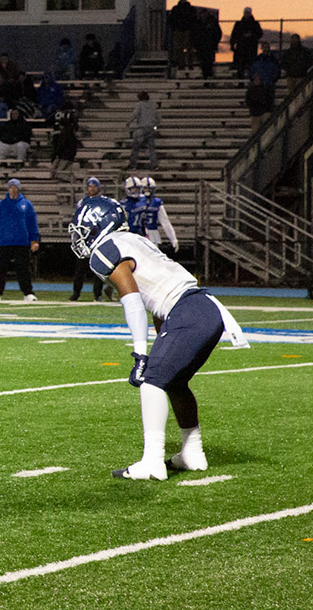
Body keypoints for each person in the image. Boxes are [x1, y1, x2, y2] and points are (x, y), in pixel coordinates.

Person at [70, 197, 247, 480]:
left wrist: (141, 353)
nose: (80, 237)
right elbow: (156, 303)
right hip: (205, 309)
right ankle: (192, 453)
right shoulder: (134, 240)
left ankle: (152, 461)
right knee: (174, 380)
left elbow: (134, 302)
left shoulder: (105, 250)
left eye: (83, 229)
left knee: (152, 379)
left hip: (188, 310)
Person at [0, 178, 40, 301]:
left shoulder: (26, 204)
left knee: (23, 269)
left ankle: (27, 292)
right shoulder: (1, 205)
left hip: (22, 242)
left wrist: (34, 239)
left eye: (15, 187)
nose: (13, 190)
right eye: (11, 187)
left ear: (19, 189)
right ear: (8, 189)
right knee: (0, 268)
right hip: (4, 241)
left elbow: (32, 223)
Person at [70, 178, 109, 302]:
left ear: (98, 188)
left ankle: (98, 294)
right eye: (90, 186)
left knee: (98, 268)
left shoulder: (103, 201)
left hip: (97, 237)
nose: (92, 188)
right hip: (84, 237)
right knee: (80, 268)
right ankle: (76, 293)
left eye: (94, 186)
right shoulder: (82, 202)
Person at [128, 90, 160, 170]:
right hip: (151, 128)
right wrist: (155, 128)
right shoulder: (152, 106)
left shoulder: (139, 105)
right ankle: (154, 165)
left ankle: (133, 165)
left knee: (136, 147)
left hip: (141, 128)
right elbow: (158, 119)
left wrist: (128, 122)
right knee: (151, 148)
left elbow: (134, 115)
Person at [229, 8, 263, 74]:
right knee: (240, 68)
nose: (247, 14)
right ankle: (240, 83)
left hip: (251, 49)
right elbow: (233, 35)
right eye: (246, 13)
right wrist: (232, 45)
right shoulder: (238, 24)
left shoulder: (255, 24)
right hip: (241, 49)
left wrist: (252, 35)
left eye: (248, 13)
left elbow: (260, 34)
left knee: (251, 67)